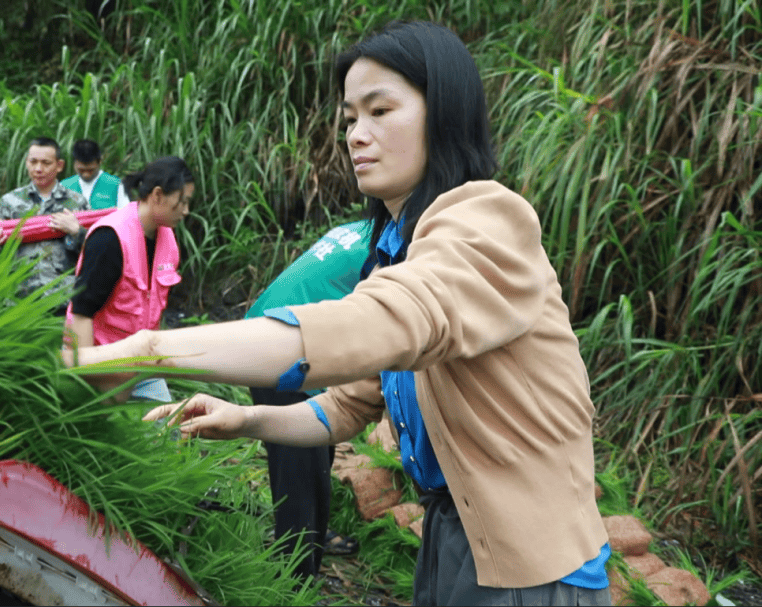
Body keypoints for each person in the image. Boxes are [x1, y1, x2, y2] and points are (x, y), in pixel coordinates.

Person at [70, 21, 612, 606]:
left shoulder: (489, 222)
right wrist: (246, 420)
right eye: (350, 118)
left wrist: (146, 349)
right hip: (454, 539)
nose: (357, 134)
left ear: (445, 113)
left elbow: (378, 323)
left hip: (533, 568)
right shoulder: (394, 250)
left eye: (381, 110)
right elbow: (349, 404)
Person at [246, 219, 372, 579]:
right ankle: (295, 578)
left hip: (272, 325)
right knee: (298, 466)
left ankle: (313, 532)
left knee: (317, 450)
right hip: (284, 344)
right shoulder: (394, 245)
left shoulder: (364, 227)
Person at [66, 156, 194, 401]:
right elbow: (81, 314)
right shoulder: (110, 239)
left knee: (168, 434)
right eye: (183, 202)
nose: (186, 211)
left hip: (144, 364)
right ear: (157, 195)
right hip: (104, 362)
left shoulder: (168, 240)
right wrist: (88, 375)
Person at [0, 137, 88, 300]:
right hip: (20, 302)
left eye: (46, 163)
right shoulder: (10, 203)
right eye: (33, 162)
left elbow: (94, 253)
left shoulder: (76, 203)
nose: (38, 169)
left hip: (64, 299)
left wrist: (77, 232)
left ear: (59, 165)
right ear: (26, 162)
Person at [60, 139, 130, 210]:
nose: (86, 175)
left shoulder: (116, 185)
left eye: (90, 170)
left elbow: (125, 214)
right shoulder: (64, 186)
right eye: (81, 170)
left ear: (99, 161)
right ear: (74, 163)